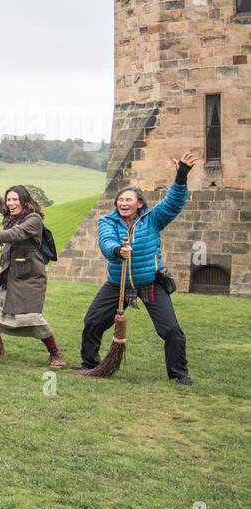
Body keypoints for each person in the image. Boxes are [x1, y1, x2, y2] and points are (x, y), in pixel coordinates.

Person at [79, 151, 197, 384]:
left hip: (150, 283)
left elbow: (173, 202)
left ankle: (179, 374)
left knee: (171, 330)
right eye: (120, 201)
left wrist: (181, 175)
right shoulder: (107, 221)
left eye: (128, 200)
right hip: (117, 283)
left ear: (139, 204)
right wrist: (117, 251)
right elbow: (106, 242)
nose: (123, 203)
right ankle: (91, 364)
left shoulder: (152, 219)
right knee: (93, 321)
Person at [0, 151, 63, 367]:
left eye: (15, 199)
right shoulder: (9, 214)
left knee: (32, 318)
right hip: (9, 275)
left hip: (30, 277)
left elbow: (15, 234)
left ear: (24, 200)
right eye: (9, 199)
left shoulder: (34, 220)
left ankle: (55, 353)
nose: (10, 203)